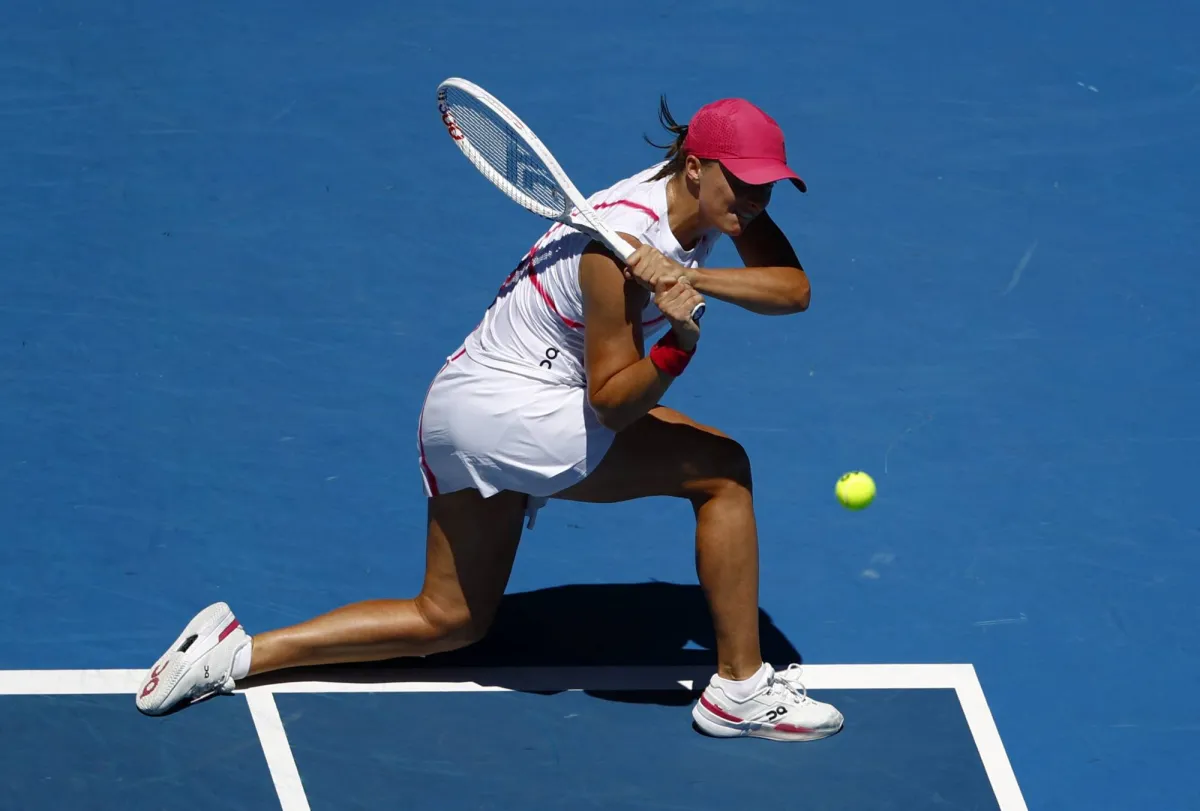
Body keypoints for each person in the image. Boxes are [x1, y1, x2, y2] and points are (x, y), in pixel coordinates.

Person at [135, 95, 844, 742]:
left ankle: (236, 652)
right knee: (722, 470)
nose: (756, 199)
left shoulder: (711, 209)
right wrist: (677, 345)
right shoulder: (615, 247)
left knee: (450, 620)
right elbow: (612, 402)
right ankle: (739, 691)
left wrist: (688, 274)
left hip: (460, 406)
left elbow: (793, 289)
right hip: (513, 410)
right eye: (744, 182)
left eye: (767, 185)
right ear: (694, 167)